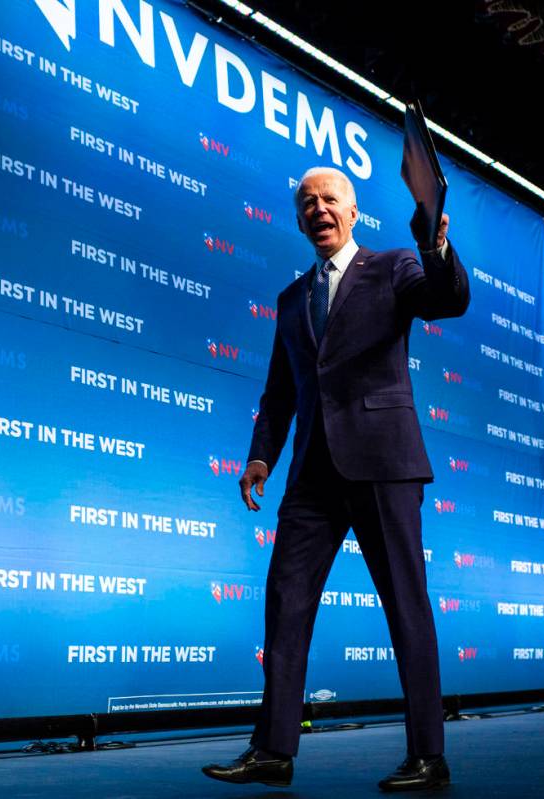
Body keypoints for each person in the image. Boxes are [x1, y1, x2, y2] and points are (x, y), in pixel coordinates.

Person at [201, 166, 470, 792]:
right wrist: (261, 455)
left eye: (329, 199)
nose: (317, 208)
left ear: (352, 212)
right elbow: (279, 390)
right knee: (284, 603)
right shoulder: (291, 299)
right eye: (306, 202)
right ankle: (272, 751)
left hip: (385, 461)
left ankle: (428, 757)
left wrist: (436, 248)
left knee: (407, 605)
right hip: (311, 473)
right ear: (299, 219)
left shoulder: (396, 265)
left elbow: (447, 299)